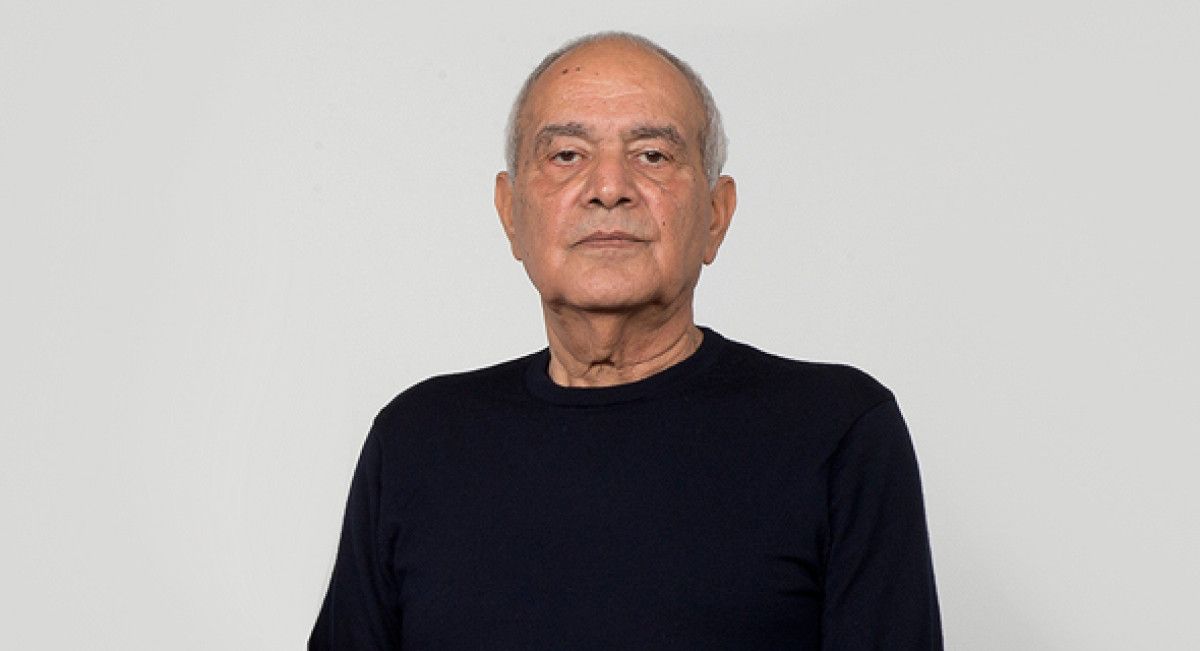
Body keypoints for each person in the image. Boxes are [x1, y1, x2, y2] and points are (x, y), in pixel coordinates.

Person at [310, 31, 942, 649]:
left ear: (716, 215)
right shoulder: (417, 440)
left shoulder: (836, 431)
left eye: (653, 156)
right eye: (566, 155)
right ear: (510, 213)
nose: (609, 187)